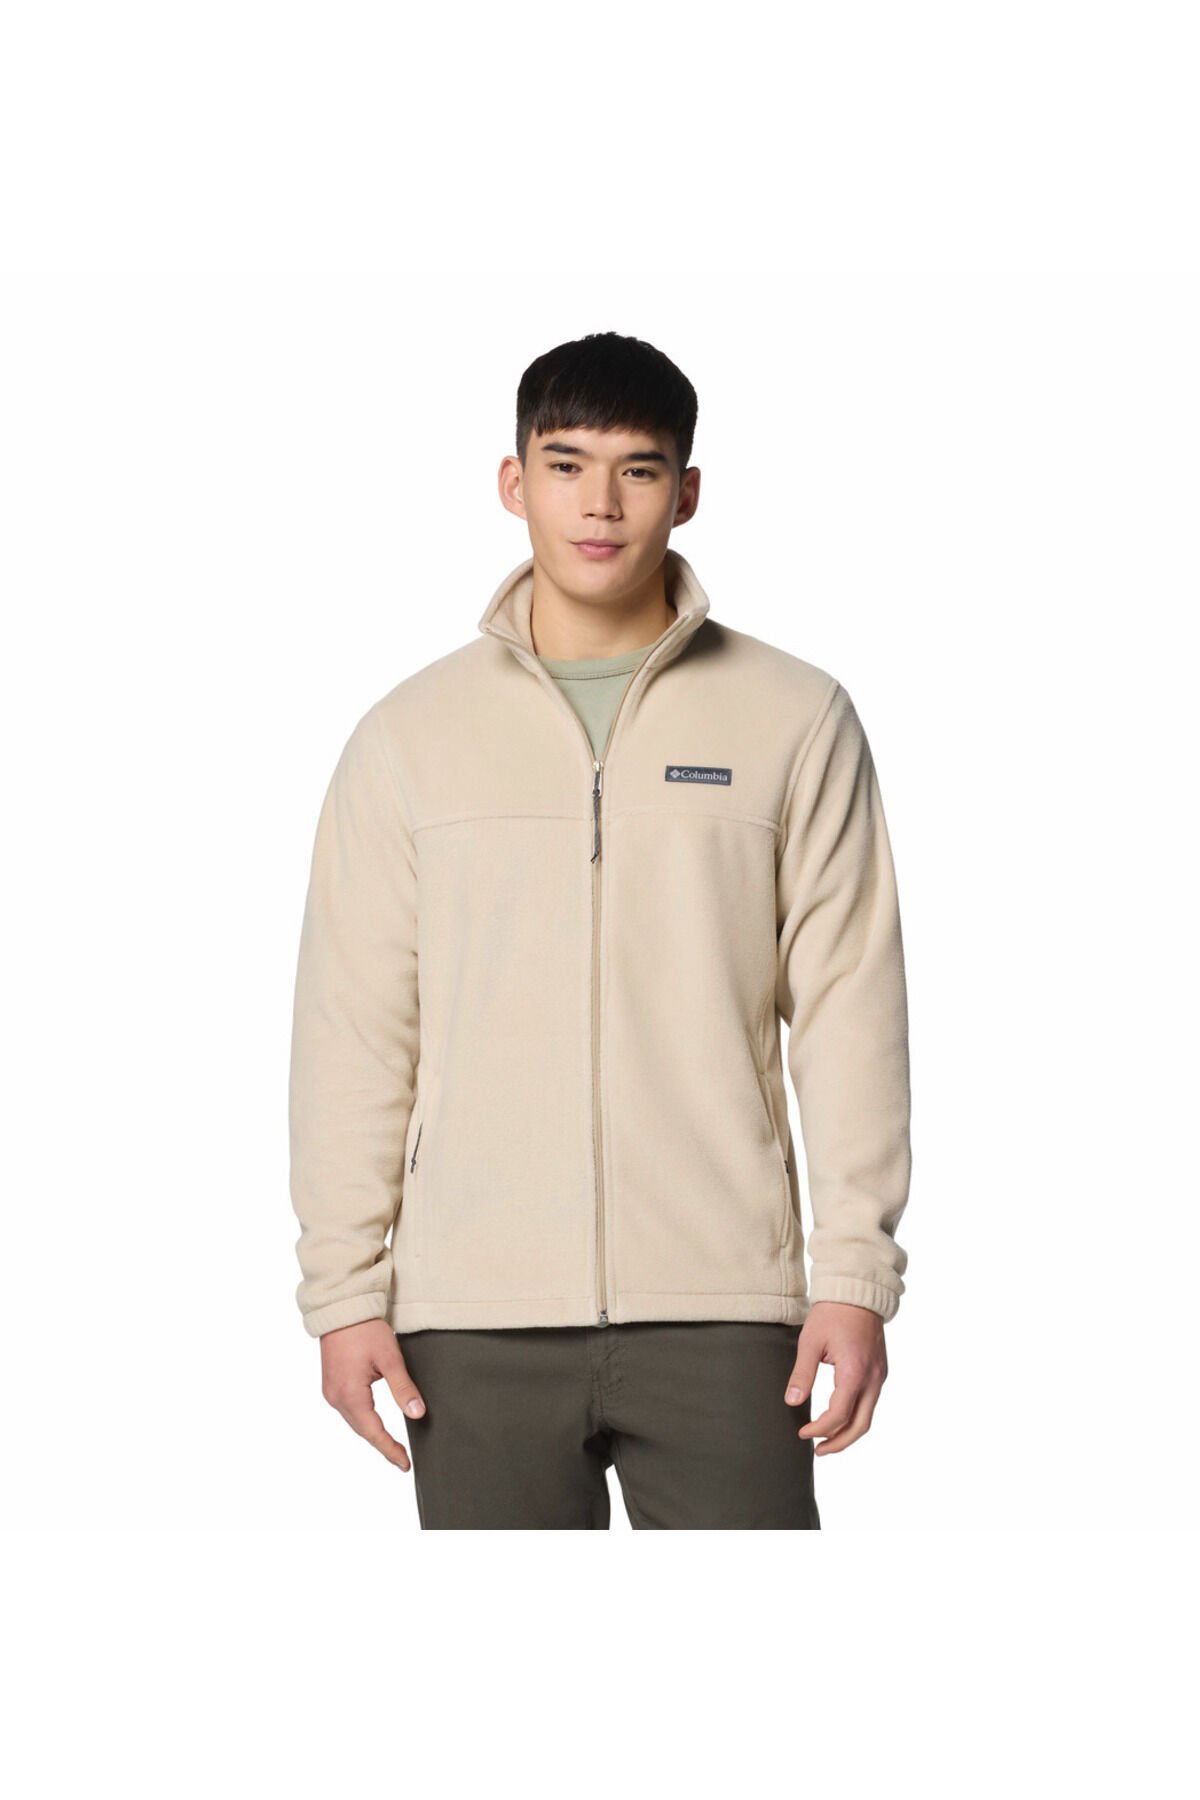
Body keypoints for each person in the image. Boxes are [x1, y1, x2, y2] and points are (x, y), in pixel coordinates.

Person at [288, 331, 912, 1529]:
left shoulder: (794, 717)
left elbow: (851, 1009)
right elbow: (355, 1030)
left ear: (688, 492)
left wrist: (855, 1273)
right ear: (513, 481)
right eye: (567, 465)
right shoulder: (409, 738)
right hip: (470, 1314)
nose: (601, 504)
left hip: (728, 1304)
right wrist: (344, 1291)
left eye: (639, 469)